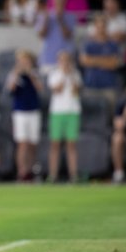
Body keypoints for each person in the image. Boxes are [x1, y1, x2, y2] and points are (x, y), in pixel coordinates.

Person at [6, 49, 43, 182]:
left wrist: (30, 74)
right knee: (22, 143)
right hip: (20, 112)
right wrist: (17, 74)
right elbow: (10, 89)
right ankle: (22, 171)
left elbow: (40, 88)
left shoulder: (35, 74)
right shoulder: (14, 74)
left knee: (32, 143)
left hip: (33, 111)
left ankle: (32, 169)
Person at [47, 51, 82, 183]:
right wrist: (64, 75)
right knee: (55, 144)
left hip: (73, 112)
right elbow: (57, 89)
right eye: (62, 60)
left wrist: (71, 76)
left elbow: (76, 90)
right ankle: (53, 175)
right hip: (57, 112)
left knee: (71, 144)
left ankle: (73, 175)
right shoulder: (54, 74)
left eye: (67, 60)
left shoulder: (76, 74)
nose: (65, 63)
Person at [80, 15, 123, 112]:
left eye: (103, 26)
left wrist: (93, 60)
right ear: (95, 27)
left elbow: (114, 64)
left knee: (110, 114)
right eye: (98, 27)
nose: (101, 30)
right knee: (91, 115)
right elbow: (84, 61)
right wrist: (105, 61)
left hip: (109, 86)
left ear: (106, 27)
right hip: (91, 85)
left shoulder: (113, 45)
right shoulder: (88, 44)